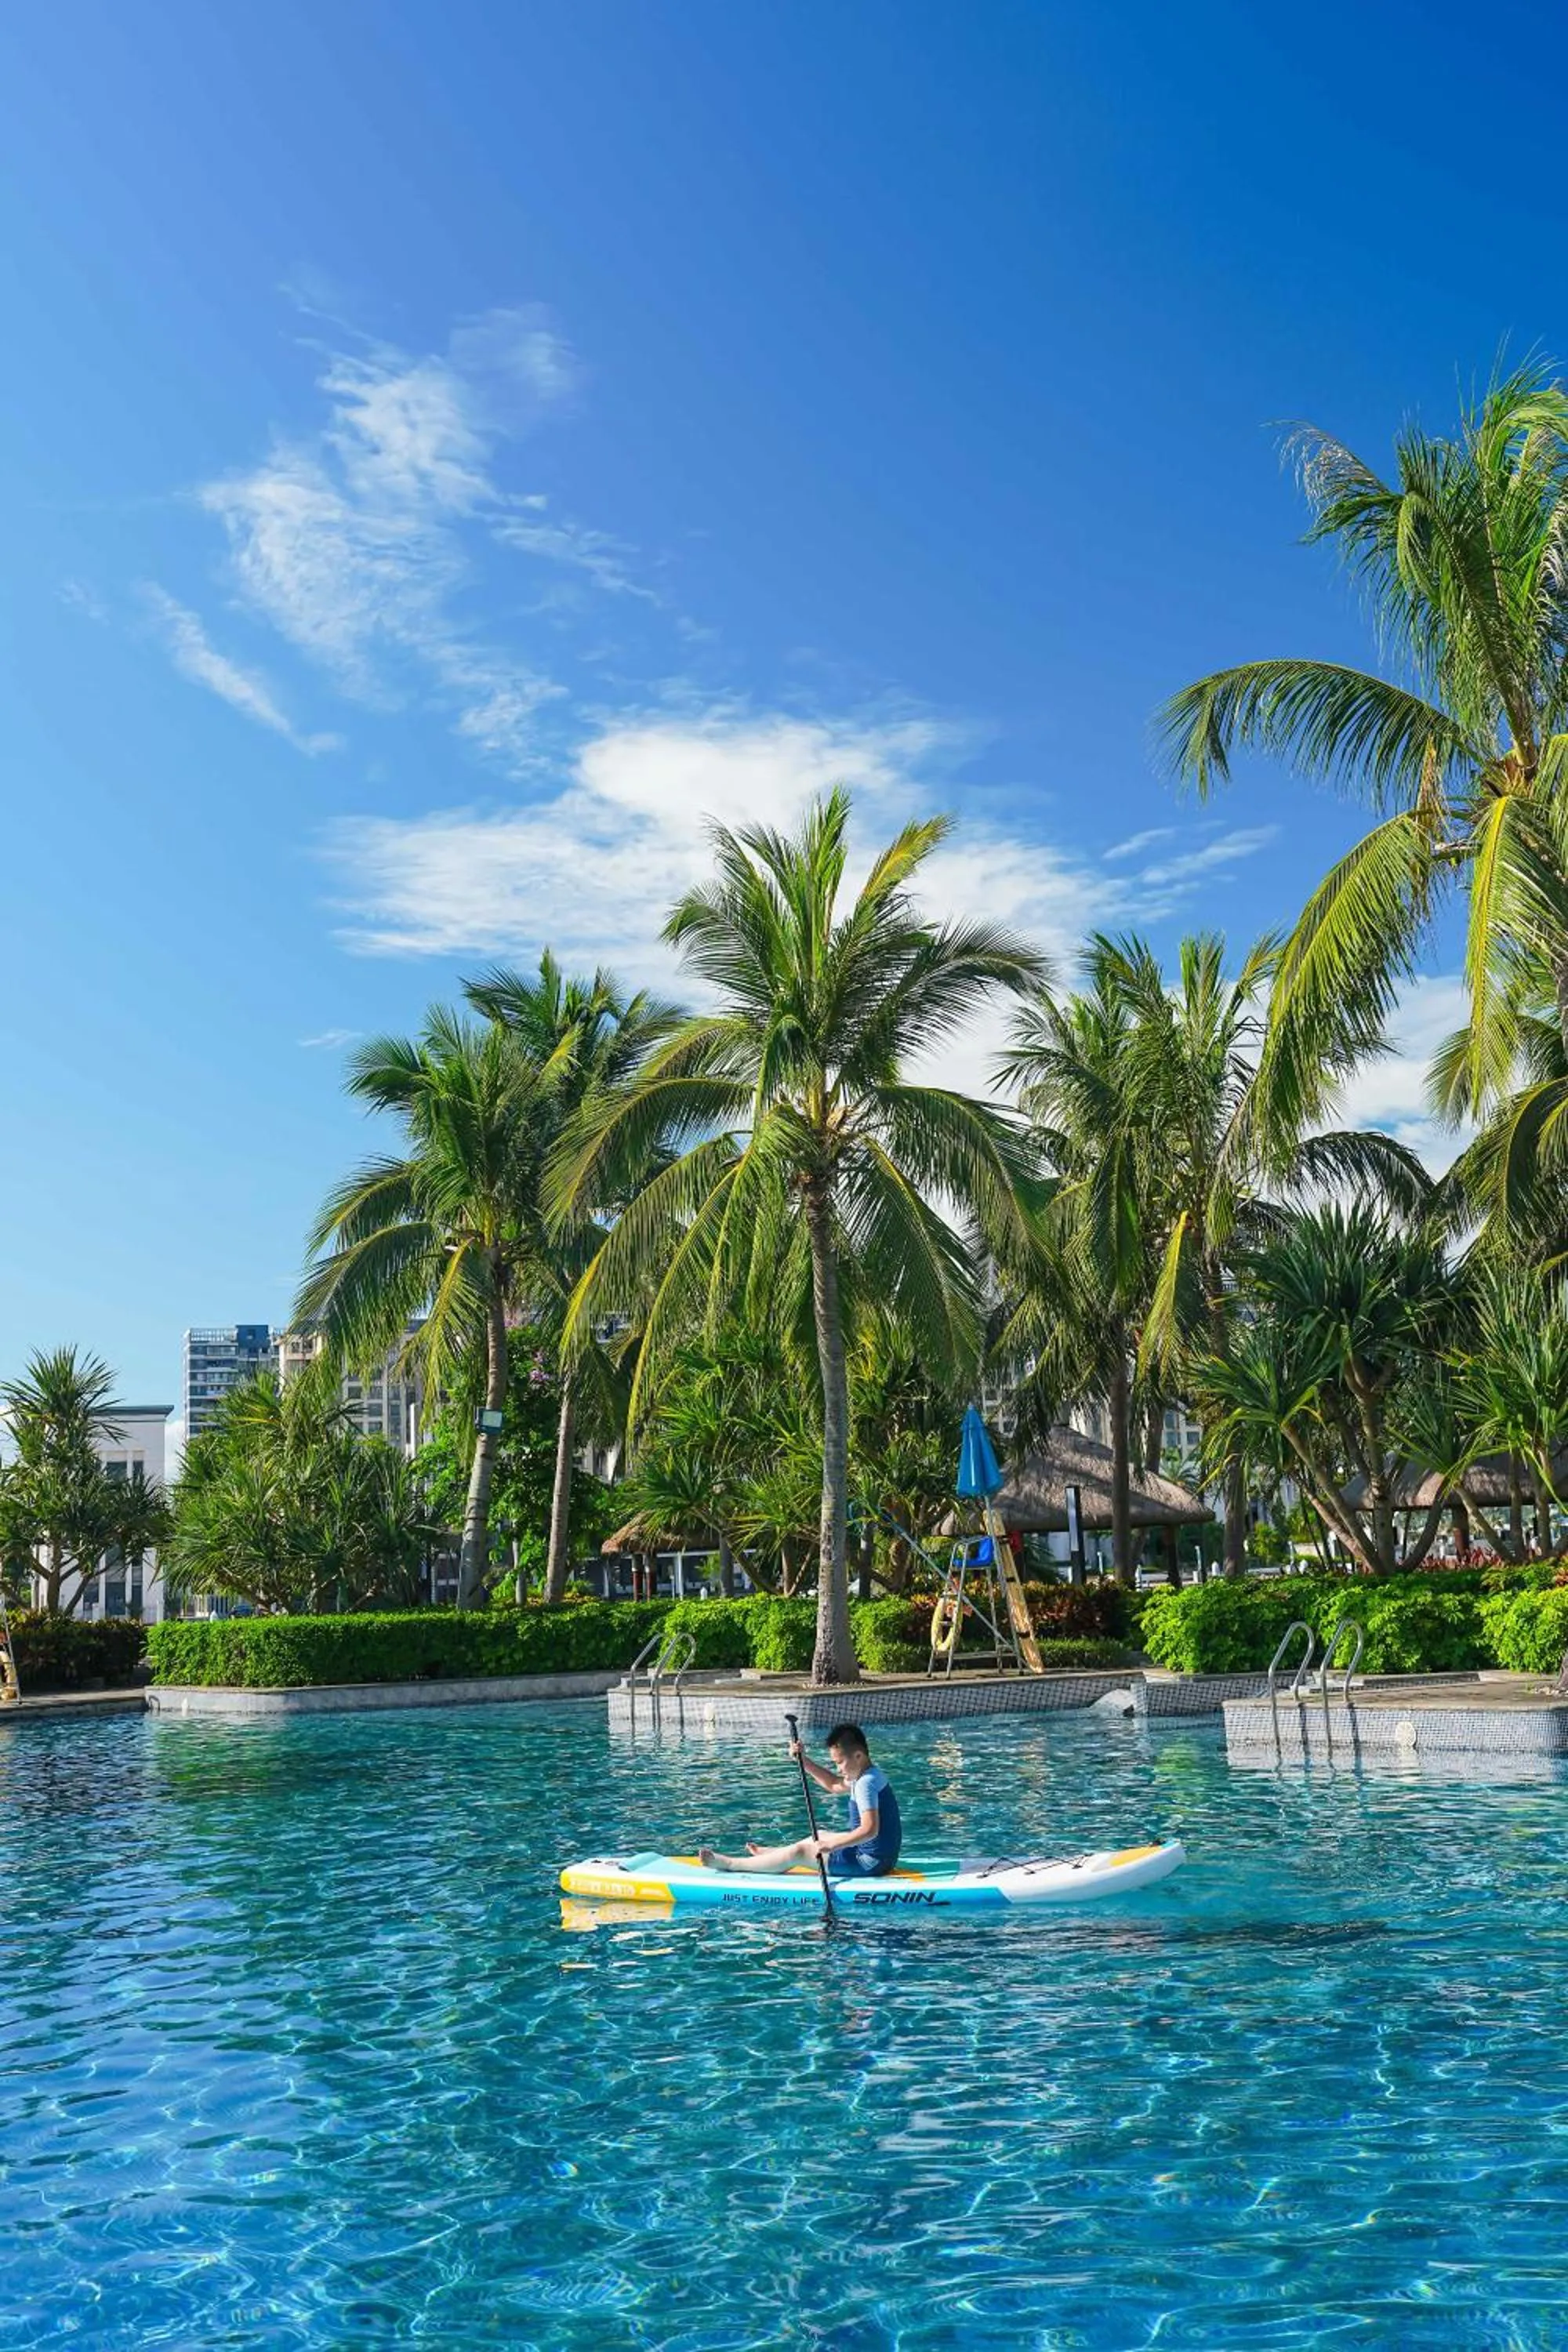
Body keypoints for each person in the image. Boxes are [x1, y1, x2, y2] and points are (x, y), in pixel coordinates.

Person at [699, 1723, 902, 1876]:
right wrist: (803, 1761)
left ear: (858, 1756)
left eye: (839, 1762)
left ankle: (731, 1864)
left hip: (870, 1862)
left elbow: (870, 1830)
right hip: (883, 1858)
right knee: (819, 1834)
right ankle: (776, 1855)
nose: (838, 1768)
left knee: (801, 1851)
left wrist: (832, 1847)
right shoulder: (869, 1775)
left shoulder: (865, 1784)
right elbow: (833, 1784)